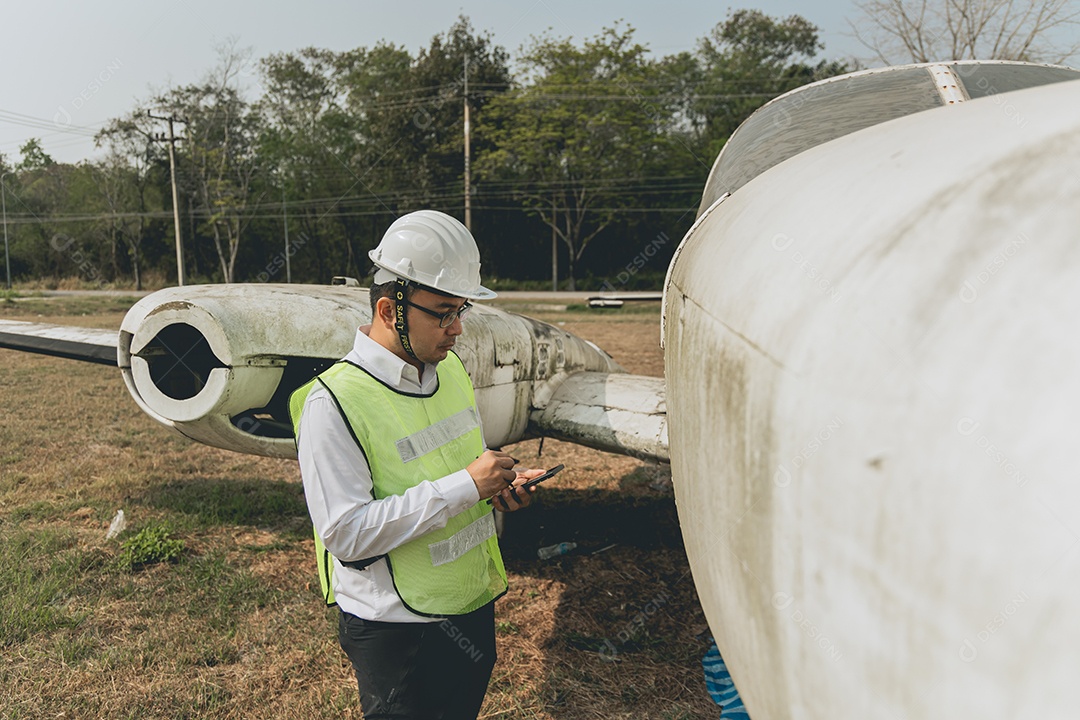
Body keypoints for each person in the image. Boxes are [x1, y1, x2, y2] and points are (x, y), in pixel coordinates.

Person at [289, 210, 542, 720]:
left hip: (468, 605)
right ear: (389, 309)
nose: (458, 329)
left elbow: (456, 467)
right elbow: (346, 534)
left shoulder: (448, 371)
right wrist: (467, 486)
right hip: (397, 632)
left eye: (462, 311)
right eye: (443, 313)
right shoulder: (332, 402)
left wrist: (497, 486)